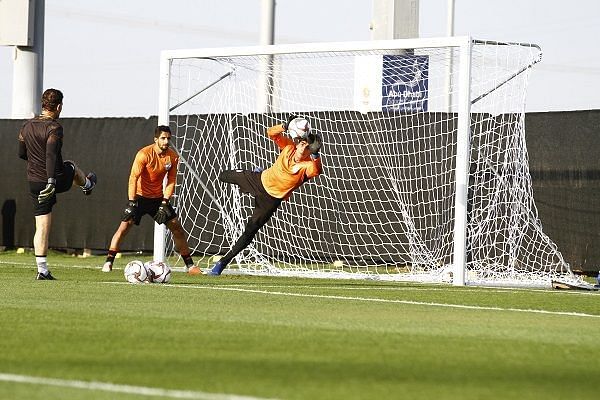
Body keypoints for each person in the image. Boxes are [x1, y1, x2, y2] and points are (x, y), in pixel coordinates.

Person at [207, 115, 323, 276]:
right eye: (301, 143)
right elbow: (271, 133)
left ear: (310, 149)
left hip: (270, 200)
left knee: (250, 232)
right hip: (258, 180)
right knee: (224, 175)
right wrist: (285, 125)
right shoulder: (289, 147)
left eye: (306, 146)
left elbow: (317, 171)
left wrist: (316, 156)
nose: (302, 147)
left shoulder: (307, 166)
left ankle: (222, 263)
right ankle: (258, 171)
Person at [18, 88, 97, 280]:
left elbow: (22, 154)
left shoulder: (26, 127)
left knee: (42, 226)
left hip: (34, 182)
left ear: (43, 105)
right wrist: (52, 181)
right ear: (59, 106)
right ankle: (87, 185)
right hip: (54, 179)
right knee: (72, 166)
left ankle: (42, 270)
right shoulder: (54, 127)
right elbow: (51, 154)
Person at [102, 125, 201, 275]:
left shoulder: (173, 157)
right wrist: (131, 201)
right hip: (139, 198)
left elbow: (171, 180)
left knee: (177, 228)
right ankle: (109, 262)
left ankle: (190, 266)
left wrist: (164, 202)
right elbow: (133, 178)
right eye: (163, 138)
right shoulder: (144, 154)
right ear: (156, 139)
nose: (166, 141)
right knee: (123, 228)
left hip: (157, 199)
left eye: (168, 138)